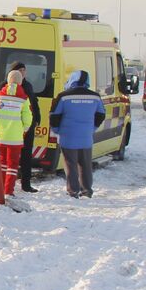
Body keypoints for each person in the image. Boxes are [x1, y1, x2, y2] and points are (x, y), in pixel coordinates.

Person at [49, 70, 106, 198]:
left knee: (70, 165)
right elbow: (101, 114)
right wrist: (92, 128)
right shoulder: (95, 97)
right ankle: (87, 190)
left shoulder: (63, 96)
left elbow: (54, 116)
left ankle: (73, 191)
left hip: (68, 137)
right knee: (85, 165)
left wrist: (57, 130)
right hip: (86, 137)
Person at [0, 69, 34, 204]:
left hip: (0, 136)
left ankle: (1, 188)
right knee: (12, 165)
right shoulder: (23, 98)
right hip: (15, 138)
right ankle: (8, 190)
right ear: (20, 82)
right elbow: (28, 118)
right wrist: (24, 130)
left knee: (2, 164)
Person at [9, 61, 42, 193]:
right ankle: (7, 185)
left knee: (26, 156)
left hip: (27, 127)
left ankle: (26, 184)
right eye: (19, 70)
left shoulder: (28, 85)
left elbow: (34, 102)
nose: (22, 73)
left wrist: (37, 117)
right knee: (9, 158)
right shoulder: (5, 86)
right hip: (12, 128)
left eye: (24, 70)